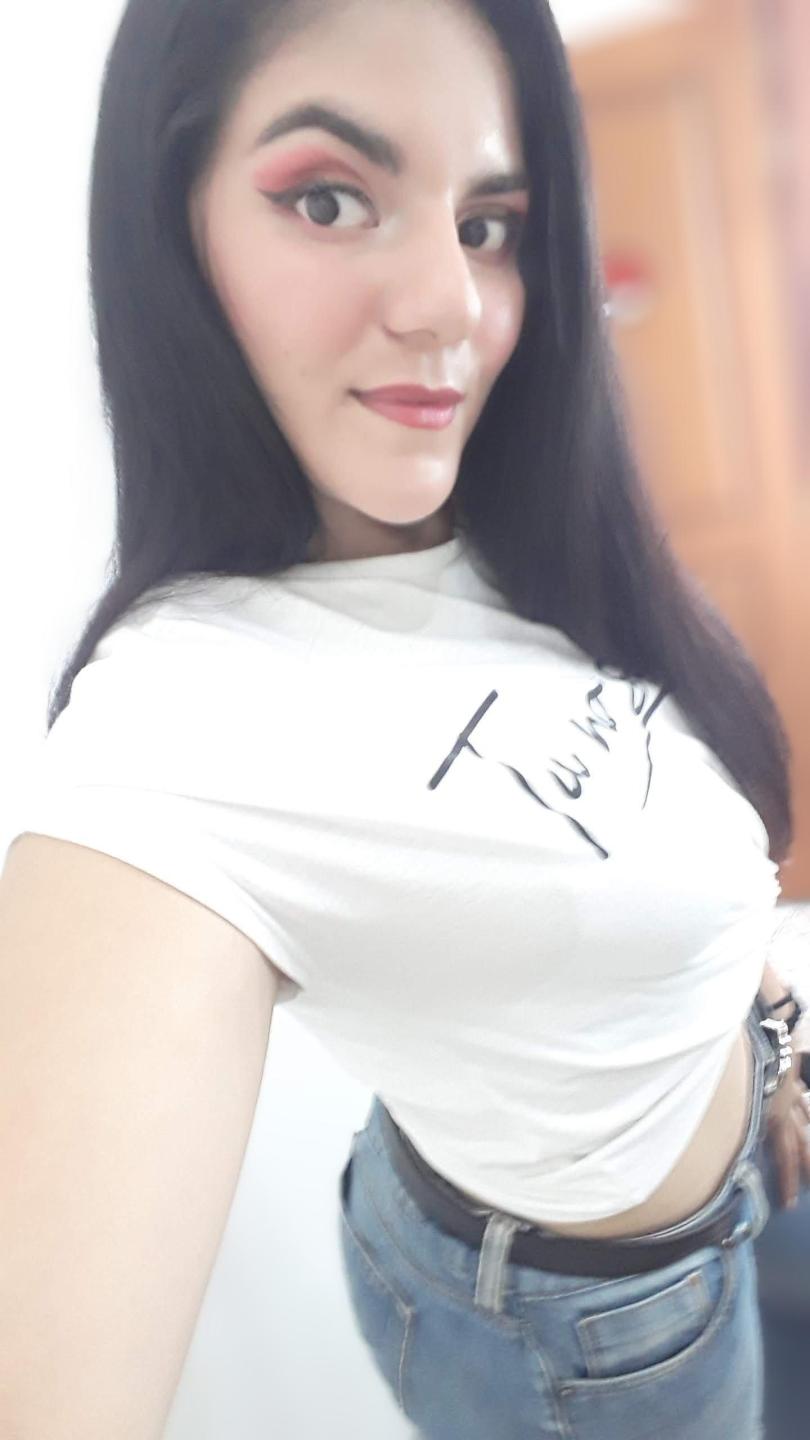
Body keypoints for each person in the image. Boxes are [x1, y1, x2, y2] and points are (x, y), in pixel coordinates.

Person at [0, 1, 808, 1436]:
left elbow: (658, 815)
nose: (452, 305)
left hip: (761, 1165)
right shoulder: (184, 716)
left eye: (489, 225)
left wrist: (768, 1038)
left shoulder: (520, 533)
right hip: (594, 1338)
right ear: (170, 228)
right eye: (329, 198)